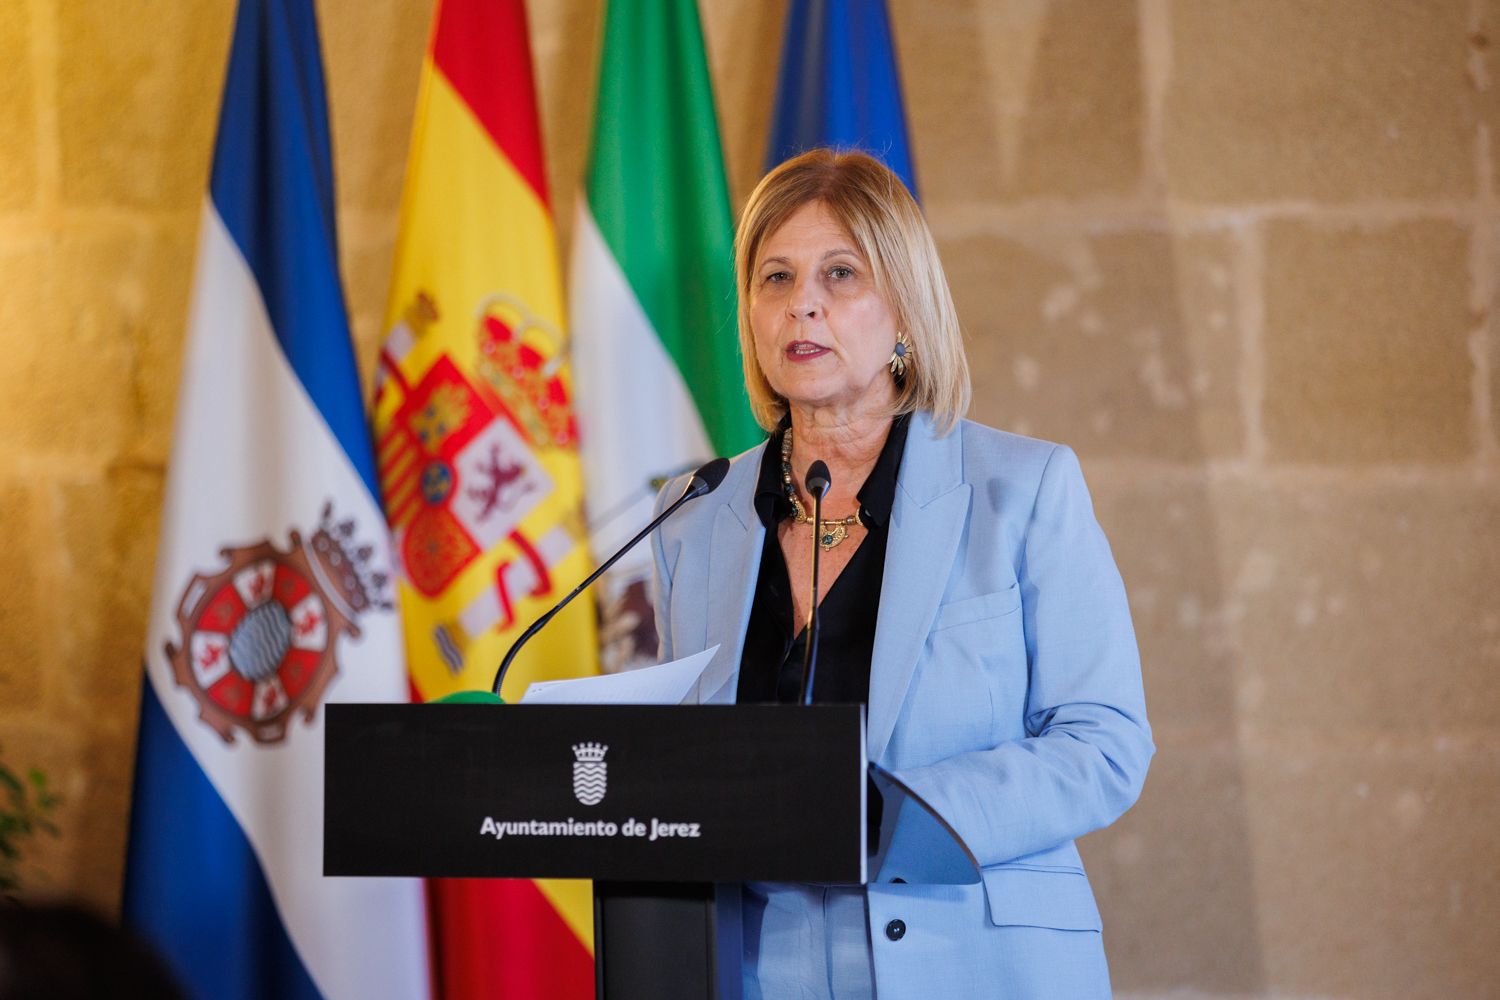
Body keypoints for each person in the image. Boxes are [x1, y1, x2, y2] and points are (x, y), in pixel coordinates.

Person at [650, 149, 1153, 999]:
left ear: (906, 312)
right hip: (756, 970)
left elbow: (1104, 744)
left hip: (976, 965)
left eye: (839, 273)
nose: (801, 302)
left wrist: (892, 811)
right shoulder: (695, 513)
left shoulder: (1021, 489)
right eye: (775, 278)